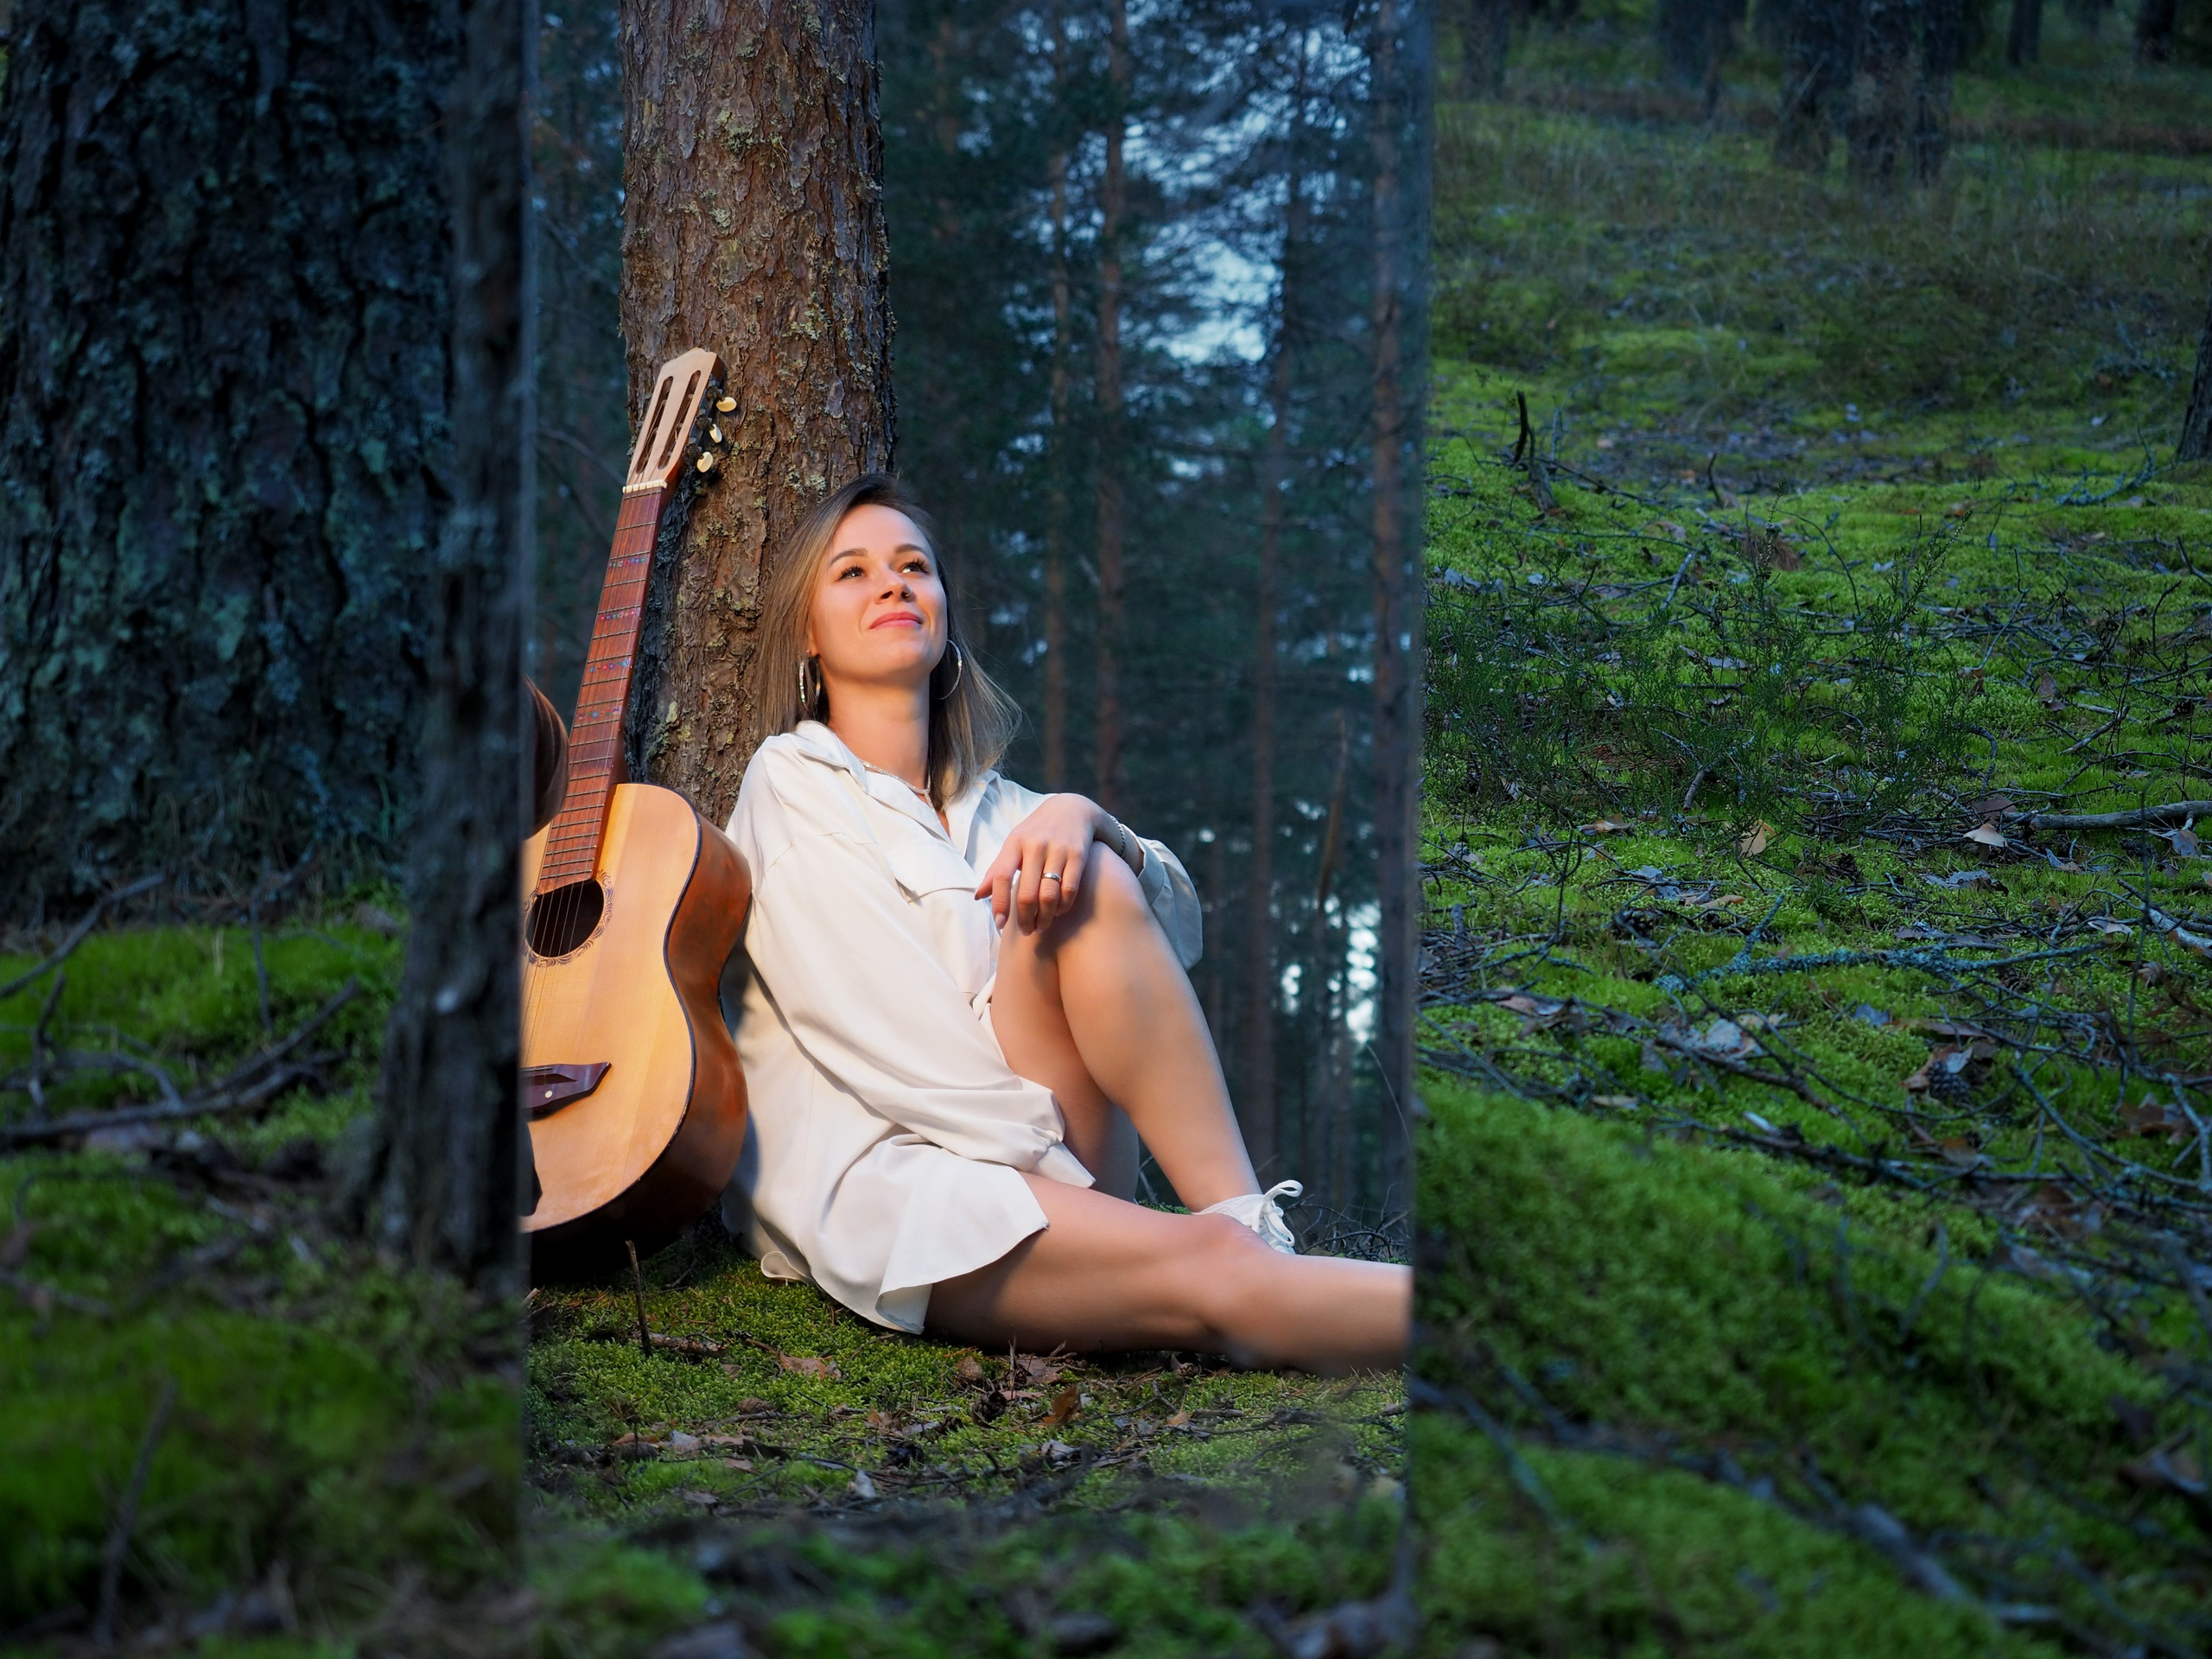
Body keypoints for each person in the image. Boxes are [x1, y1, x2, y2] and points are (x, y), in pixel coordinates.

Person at [718, 474, 1408, 1373]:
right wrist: (1088, 1201)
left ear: (944, 613)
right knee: (1211, 1276)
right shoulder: (791, 782)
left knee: (1086, 875)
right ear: (808, 636)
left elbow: (1165, 933)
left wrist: (1090, 817)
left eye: (913, 566)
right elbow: (886, 1041)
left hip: (1044, 1153)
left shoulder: (1005, 807)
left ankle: (1247, 1221)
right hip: (902, 1183)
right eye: (852, 573)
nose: (893, 585)